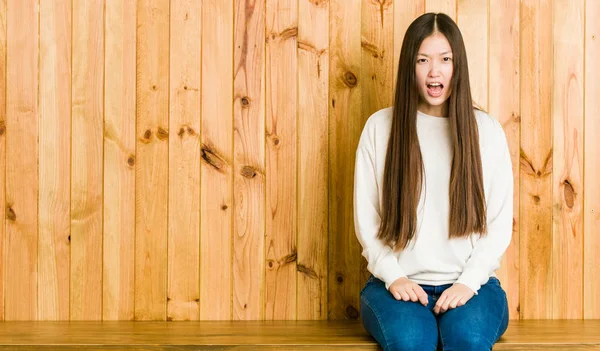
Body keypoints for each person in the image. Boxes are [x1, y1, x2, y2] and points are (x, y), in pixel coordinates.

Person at [354, 12, 513, 351]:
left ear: (458, 67)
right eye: (422, 60)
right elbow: (367, 221)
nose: (434, 71)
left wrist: (468, 283)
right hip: (394, 285)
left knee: (467, 340)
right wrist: (393, 275)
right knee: (412, 342)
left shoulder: (486, 131)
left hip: (473, 287)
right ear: (409, 67)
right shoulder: (380, 129)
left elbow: (499, 226)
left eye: (445, 59)